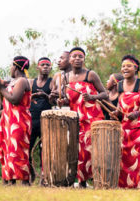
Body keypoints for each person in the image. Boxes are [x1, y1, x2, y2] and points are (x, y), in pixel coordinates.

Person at [58, 47, 107, 188]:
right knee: (81, 152)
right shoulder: (65, 78)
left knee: (95, 150)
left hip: (93, 118)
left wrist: (92, 97)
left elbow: (105, 94)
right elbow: (68, 99)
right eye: (74, 56)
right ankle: (82, 182)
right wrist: (62, 102)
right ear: (69, 59)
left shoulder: (91, 75)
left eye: (80, 56)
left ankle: (99, 181)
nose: (77, 59)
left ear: (84, 59)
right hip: (77, 120)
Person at [112, 55, 140, 188]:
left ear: (136, 68)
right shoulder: (119, 85)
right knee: (125, 159)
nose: (125, 68)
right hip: (124, 128)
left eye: (129, 66)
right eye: (123, 66)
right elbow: (121, 106)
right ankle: (125, 186)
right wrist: (117, 113)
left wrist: (138, 113)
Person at [0, 56, 32, 186]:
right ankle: (10, 179)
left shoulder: (21, 81)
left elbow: (15, 99)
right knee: (8, 149)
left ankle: (25, 181)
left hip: (19, 121)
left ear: (15, 66)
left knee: (18, 150)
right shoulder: (13, 81)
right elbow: (4, 98)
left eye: (11, 65)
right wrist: (0, 86)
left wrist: (1, 87)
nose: (10, 68)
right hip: (9, 121)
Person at [28, 57, 53, 182]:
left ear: (50, 68)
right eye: (42, 65)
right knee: (28, 148)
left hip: (46, 120)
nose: (45, 67)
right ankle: (30, 174)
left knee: (44, 150)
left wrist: (45, 95)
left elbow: (54, 101)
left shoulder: (52, 82)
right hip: (32, 119)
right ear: (38, 67)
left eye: (47, 65)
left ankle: (44, 177)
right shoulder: (31, 82)